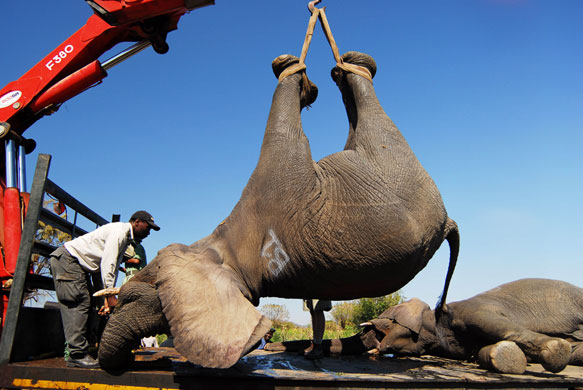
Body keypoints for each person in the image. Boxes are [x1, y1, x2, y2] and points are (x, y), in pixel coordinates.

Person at [49, 210, 160, 368]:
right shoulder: (119, 232)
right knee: (80, 303)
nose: (149, 232)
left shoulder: (126, 239)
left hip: (80, 266)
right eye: (147, 227)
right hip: (68, 260)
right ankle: (77, 355)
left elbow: (108, 269)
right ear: (136, 222)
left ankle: (86, 349)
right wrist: (110, 297)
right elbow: (108, 264)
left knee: (91, 306)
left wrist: (104, 300)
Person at [120, 239, 158, 348]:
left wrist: (120, 259)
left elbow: (137, 261)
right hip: (129, 278)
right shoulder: (129, 248)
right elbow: (131, 268)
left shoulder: (137, 247)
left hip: (135, 282)